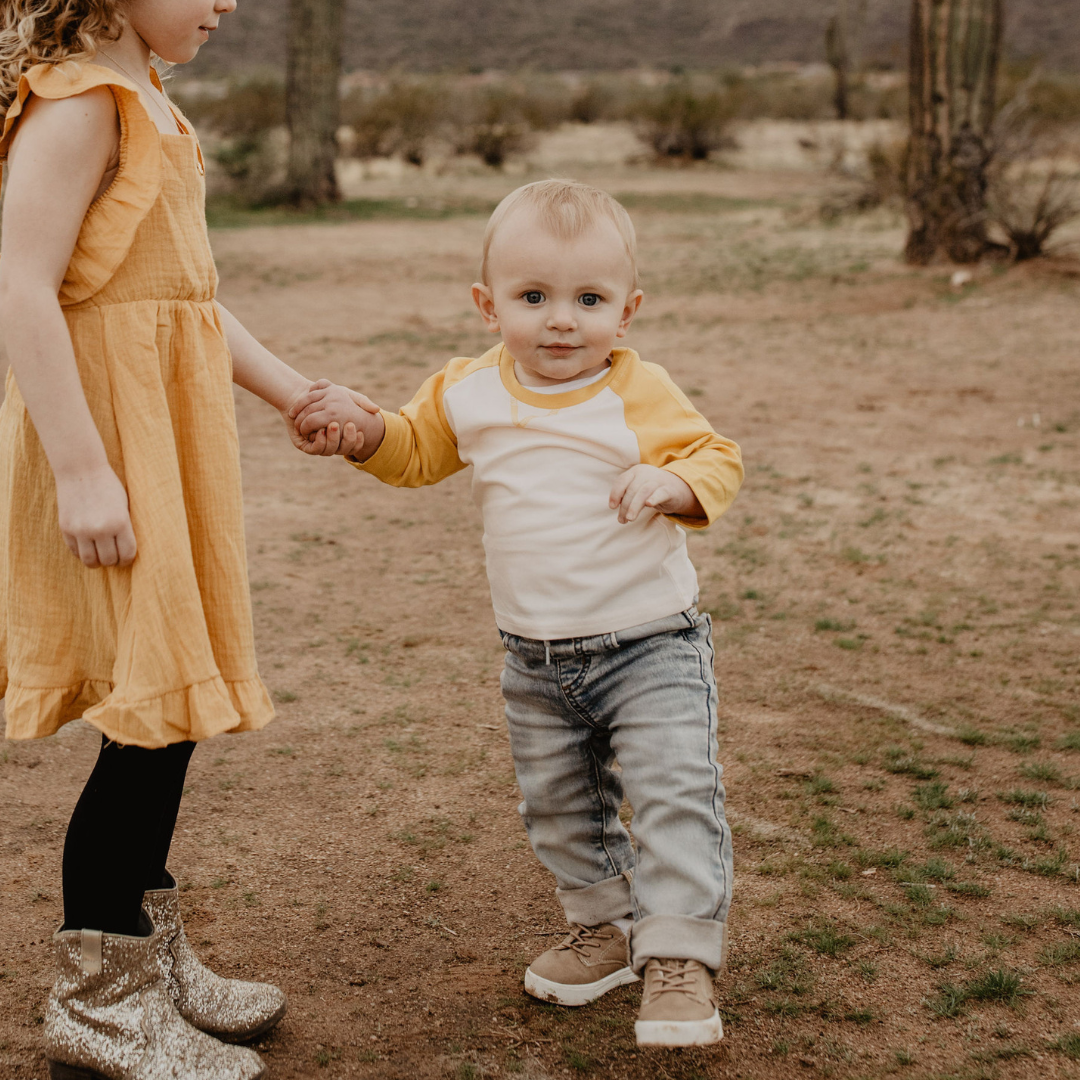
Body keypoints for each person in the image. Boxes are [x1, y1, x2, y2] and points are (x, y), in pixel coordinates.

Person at [289, 179, 744, 1047]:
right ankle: (605, 929)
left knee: (672, 793)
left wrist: (673, 481)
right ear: (487, 304)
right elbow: (414, 451)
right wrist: (363, 427)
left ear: (628, 310)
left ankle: (679, 957)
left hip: (649, 644)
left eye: (589, 300)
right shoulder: (468, 392)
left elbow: (714, 455)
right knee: (561, 807)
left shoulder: (634, 392)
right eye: (534, 298)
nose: (561, 320)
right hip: (534, 660)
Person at [0, 2, 363, 1077]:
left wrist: (295, 393)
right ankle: (99, 1002)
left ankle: (144, 960)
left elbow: (189, 294)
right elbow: (18, 286)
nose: (227, 1)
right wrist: (79, 470)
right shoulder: (78, 107)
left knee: (172, 701)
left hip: (163, 435)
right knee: (152, 710)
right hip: (108, 443)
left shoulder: (149, 98)